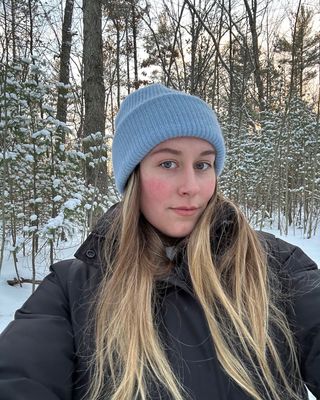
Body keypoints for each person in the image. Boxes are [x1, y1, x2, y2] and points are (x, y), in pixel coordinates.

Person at [0, 84, 319, 400]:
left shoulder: (276, 264)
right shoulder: (71, 290)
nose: (191, 187)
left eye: (203, 164)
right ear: (133, 176)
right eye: (168, 164)